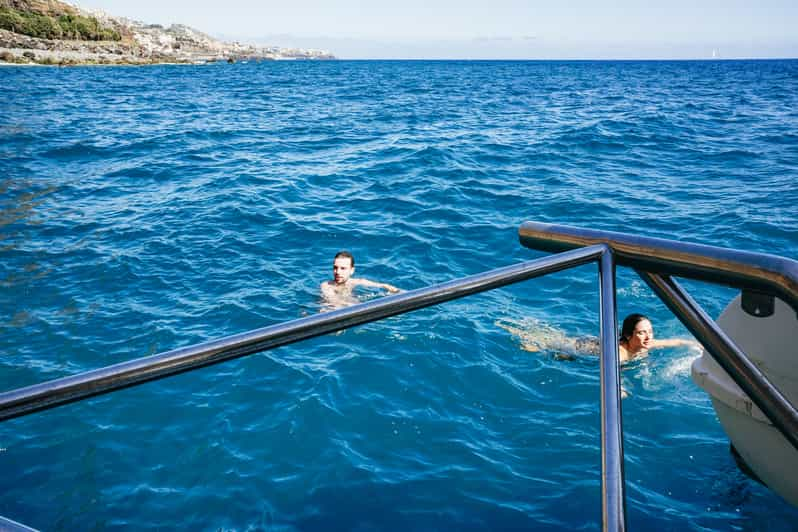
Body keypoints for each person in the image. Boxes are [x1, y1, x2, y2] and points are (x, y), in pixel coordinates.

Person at [320, 251, 401, 308]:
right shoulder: (327, 285)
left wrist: (388, 287)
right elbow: (334, 301)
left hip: (350, 306)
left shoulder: (353, 282)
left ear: (351, 271)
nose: (337, 272)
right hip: (330, 310)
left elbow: (378, 285)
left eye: (343, 268)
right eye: (335, 268)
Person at [617, 313, 699, 363]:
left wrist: (700, 345)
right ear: (628, 335)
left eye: (650, 331)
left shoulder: (648, 343)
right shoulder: (620, 354)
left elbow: (677, 342)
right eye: (641, 333)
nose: (648, 337)